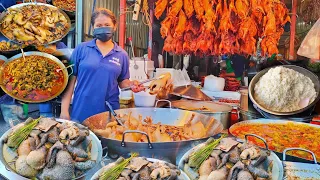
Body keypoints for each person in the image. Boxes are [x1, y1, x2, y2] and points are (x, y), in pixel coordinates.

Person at [60, 8, 145, 122]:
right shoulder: (81, 49)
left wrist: (132, 85)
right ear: (93, 28)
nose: (103, 28)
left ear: (114, 26)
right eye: (99, 25)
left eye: (107, 24)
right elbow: (70, 83)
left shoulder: (122, 54)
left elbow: (123, 82)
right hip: (81, 111)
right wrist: (64, 111)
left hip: (109, 113)